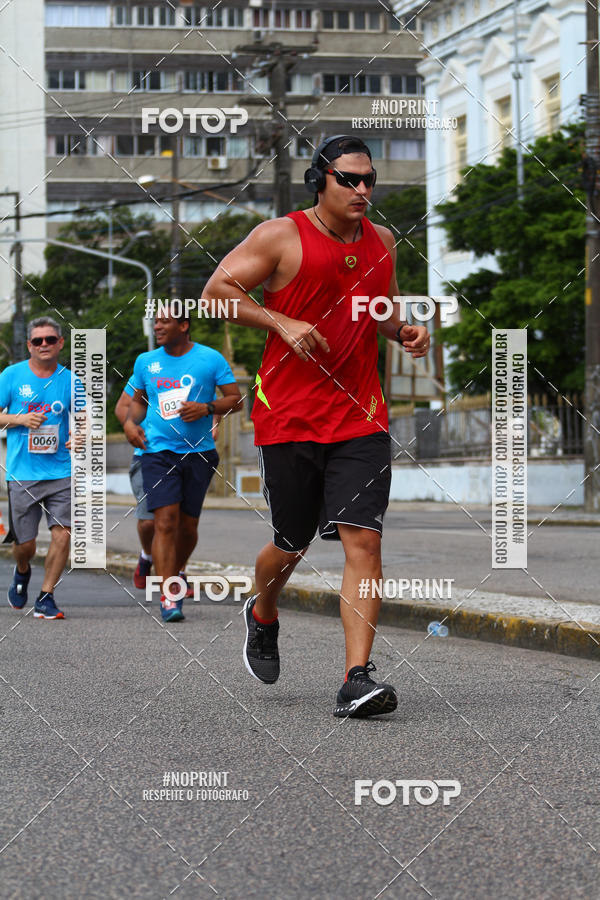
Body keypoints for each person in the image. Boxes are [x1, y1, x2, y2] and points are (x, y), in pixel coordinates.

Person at [203, 134, 430, 717]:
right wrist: (280, 320)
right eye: (348, 180)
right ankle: (262, 610)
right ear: (319, 181)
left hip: (361, 415)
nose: (361, 190)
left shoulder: (382, 241)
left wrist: (404, 329)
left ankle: (356, 677)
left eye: (369, 180)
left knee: (365, 540)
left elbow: (380, 305)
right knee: (292, 543)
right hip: (289, 417)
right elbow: (216, 294)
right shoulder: (281, 235)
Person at [123, 306, 241, 622]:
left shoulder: (210, 358)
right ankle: (169, 594)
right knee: (165, 521)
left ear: (184, 325)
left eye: (164, 321)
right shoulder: (146, 361)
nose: (157, 326)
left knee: (188, 527)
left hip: (199, 453)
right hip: (157, 452)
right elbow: (137, 399)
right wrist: (130, 424)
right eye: (155, 321)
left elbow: (236, 399)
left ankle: (173, 570)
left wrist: (207, 407)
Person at [0, 316, 77, 619]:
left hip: (62, 471)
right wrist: (20, 420)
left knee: (63, 534)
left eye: (49, 339)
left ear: (60, 343)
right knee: (26, 544)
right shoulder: (11, 375)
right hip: (23, 473)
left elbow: (84, 418)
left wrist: (79, 435)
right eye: (37, 341)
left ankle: (47, 596)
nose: (43, 345)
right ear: (29, 345)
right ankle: (22, 571)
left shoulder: (72, 380)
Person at [115, 381, 220, 595]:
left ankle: (176, 576)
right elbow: (122, 407)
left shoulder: (200, 372)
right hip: (150, 456)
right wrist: (133, 427)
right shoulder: (148, 371)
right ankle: (147, 557)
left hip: (191, 456)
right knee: (148, 522)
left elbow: (214, 407)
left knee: (179, 521)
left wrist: (213, 425)